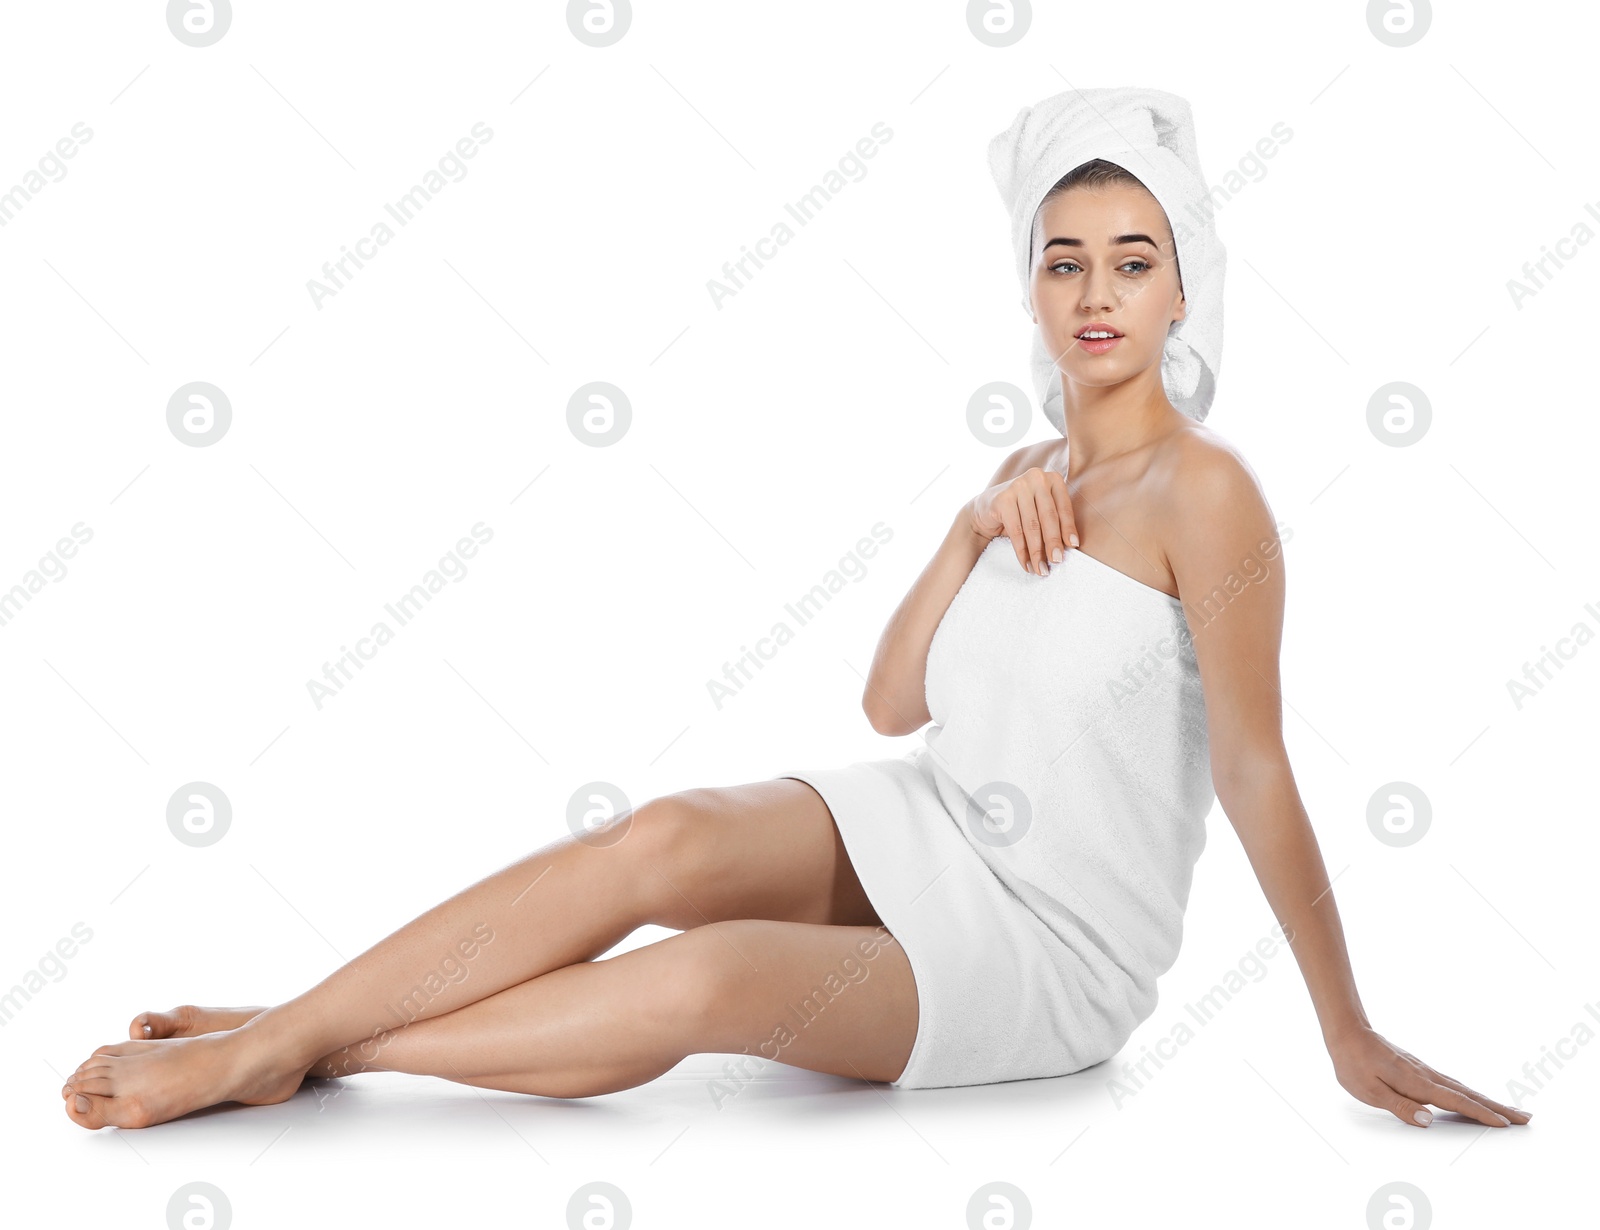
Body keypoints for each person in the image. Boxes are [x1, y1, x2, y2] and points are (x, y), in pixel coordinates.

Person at [61, 90, 1528, 1133]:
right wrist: (965, 532)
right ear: (1028, 286)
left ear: (1183, 289)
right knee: (666, 838)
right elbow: (894, 708)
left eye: (1134, 263)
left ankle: (293, 1044)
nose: (1097, 294)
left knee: (698, 981)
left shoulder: (1210, 497)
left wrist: (1343, 1021)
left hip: (1050, 949)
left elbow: (1258, 769)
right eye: (1064, 259)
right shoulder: (1026, 472)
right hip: (935, 820)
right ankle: (288, 1030)